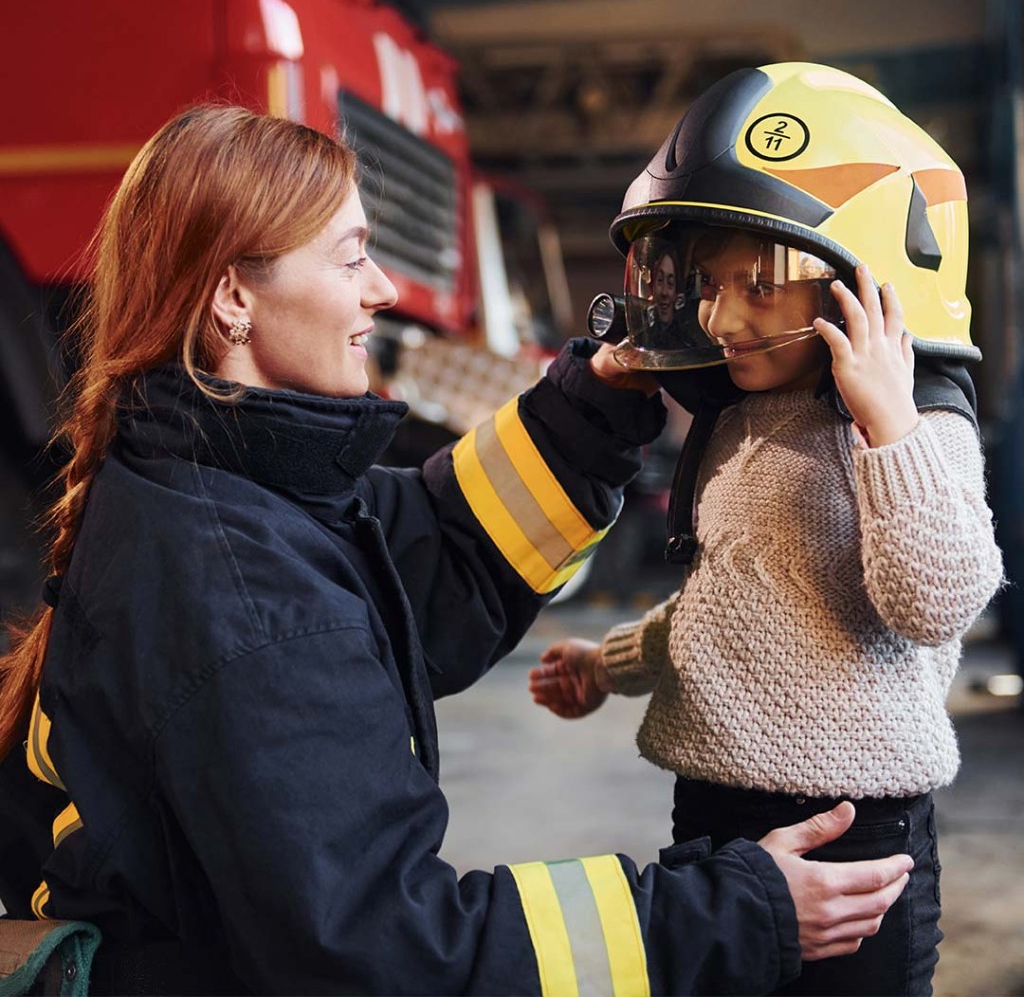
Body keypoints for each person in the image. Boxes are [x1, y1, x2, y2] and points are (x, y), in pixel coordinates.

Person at [0, 104, 914, 997]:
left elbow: (425, 554)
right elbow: (388, 948)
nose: (383, 289)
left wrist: (593, 406)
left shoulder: (215, 481)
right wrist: (727, 914)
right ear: (234, 296)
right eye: (352, 255)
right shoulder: (242, 597)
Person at [530, 62, 1004, 997]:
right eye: (709, 283)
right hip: (711, 815)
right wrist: (607, 663)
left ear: (858, 281)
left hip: (849, 830)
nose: (721, 315)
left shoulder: (918, 427)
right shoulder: (744, 422)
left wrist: (888, 427)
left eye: (760, 283)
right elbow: (731, 610)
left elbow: (938, 601)